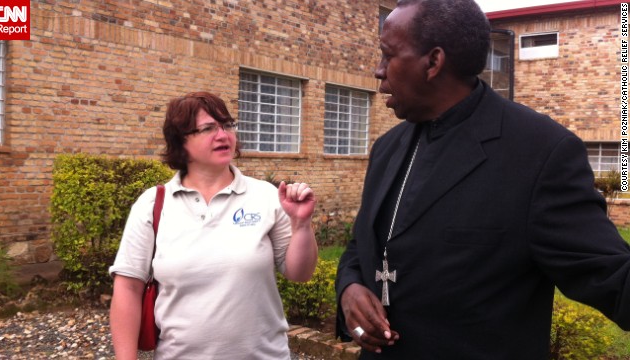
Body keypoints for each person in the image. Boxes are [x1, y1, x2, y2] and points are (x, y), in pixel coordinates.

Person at [335, 0, 630, 358]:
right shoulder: (387, 148)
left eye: (387, 55)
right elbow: (361, 246)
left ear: (433, 62)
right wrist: (349, 287)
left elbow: (613, 278)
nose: (379, 71)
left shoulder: (538, 153)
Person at [109, 91, 318, 360]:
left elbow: (299, 273)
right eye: (208, 128)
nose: (223, 135)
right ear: (181, 141)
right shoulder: (153, 204)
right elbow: (128, 288)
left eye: (228, 125)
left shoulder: (265, 196)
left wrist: (301, 224)